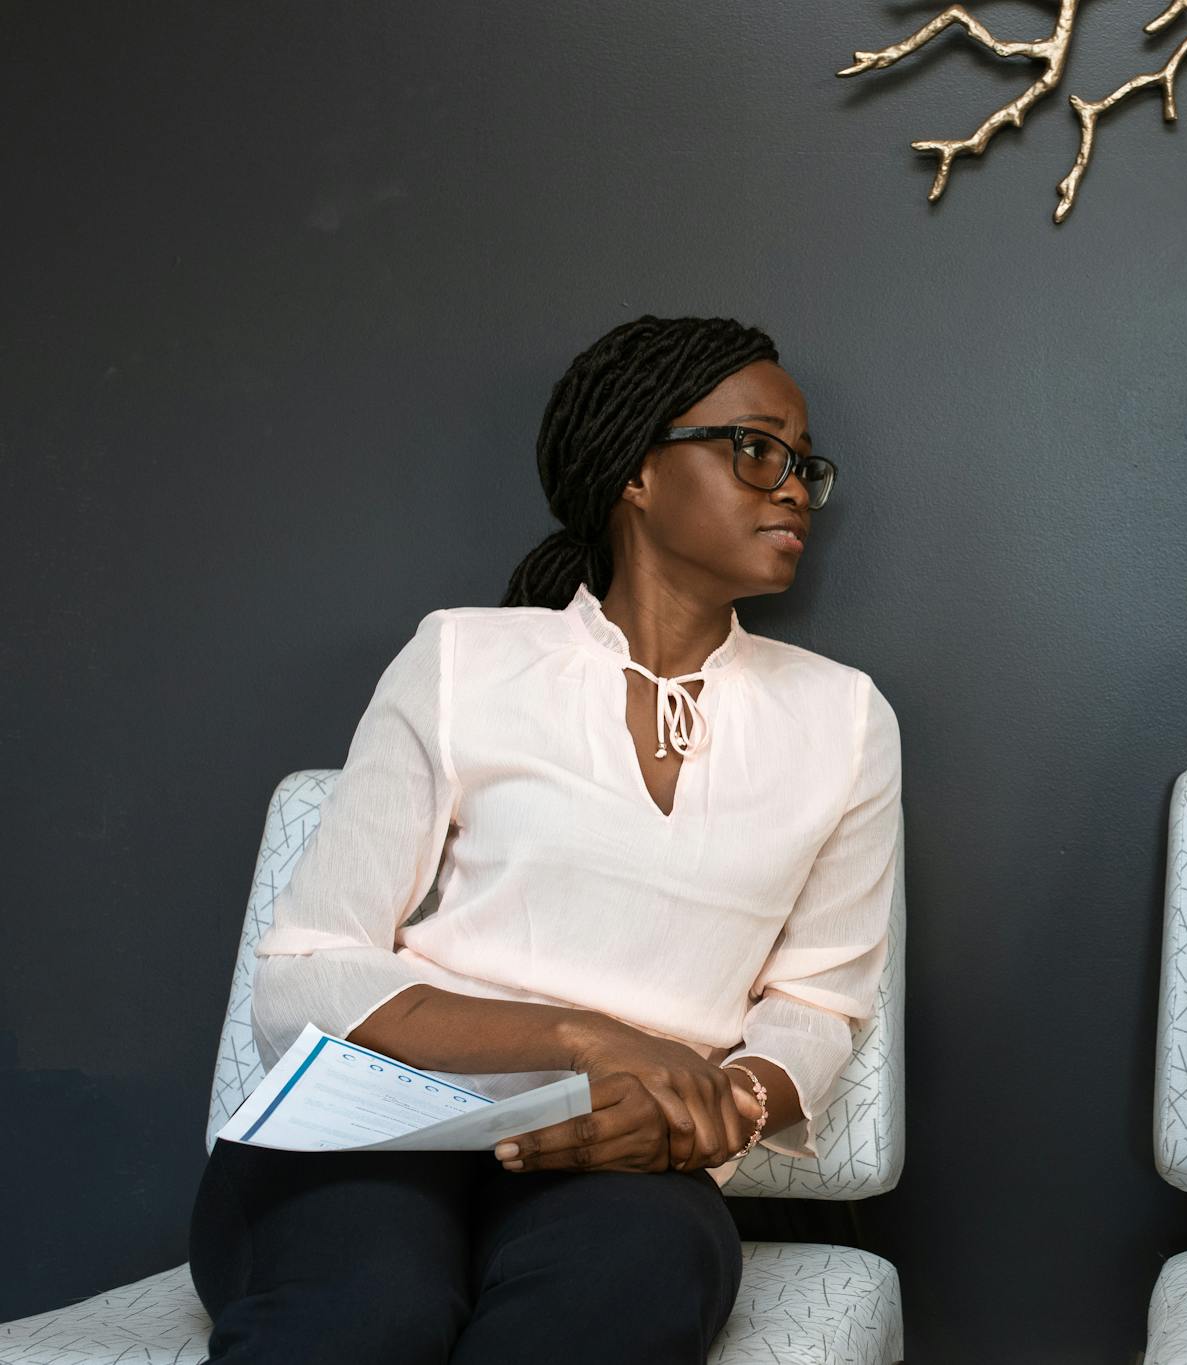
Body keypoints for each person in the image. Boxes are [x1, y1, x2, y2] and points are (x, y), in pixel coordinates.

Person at [187, 316, 901, 1365]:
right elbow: (302, 980)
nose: (792, 486)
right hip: (371, 1129)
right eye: (755, 450)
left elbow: (818, 1003)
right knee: (362, 1321)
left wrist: (721, 1105)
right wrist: (585, 1036)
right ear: (635, 473)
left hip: (627, 1162)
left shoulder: (843, 719)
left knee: (594, 1322)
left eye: (804, 464)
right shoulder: (462, 659)